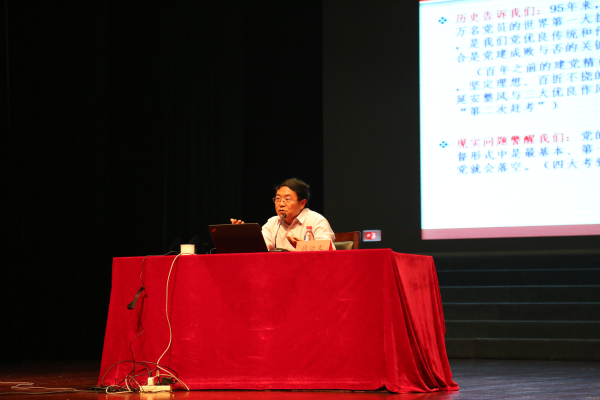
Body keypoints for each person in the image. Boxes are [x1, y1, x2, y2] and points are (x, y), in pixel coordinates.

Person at [230, 178, 336, 251]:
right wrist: (243, 237)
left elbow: (328, 252)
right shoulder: (272, 223)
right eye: (278, 199)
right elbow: (260, 249)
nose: (281, 204)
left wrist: (304, 247)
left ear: (302, 203)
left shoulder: (316, 220)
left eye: (287, 199)